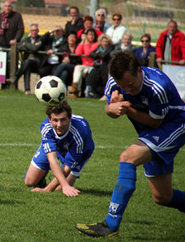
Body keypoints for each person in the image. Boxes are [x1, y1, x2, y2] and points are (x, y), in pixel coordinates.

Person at [76, 51, 185, 238]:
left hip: (173, 125)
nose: (127, 89)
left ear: (139, 71)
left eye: (131, 85)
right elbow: (110, 110)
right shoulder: (114, 83)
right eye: (122, 86)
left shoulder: (158, 86)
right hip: (150, 131)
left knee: (128, 157)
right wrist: (111, 108)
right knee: (162, 197)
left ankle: (110, 225)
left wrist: (128, 110)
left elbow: (155, 121)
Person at [24, 101, 94, 197]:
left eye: (63, 120)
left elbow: (67, 166)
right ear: (49, 120)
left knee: (58, 189)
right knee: (29, 181)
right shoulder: (46, 127)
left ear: (70, 118)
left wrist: (51, 189)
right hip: (56, 145)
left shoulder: (80, 134)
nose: (59, 125)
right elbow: (52, 158)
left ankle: (56, 183)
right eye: (55, 120)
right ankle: (43, 176)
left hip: (82, 151)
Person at [0, 0, 25, 89]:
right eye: (6, 6)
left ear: (12, 7)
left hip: (12, 47)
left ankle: (12, 85)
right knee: (2, 67)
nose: (7, 8)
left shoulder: (17, 16)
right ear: (3, 7)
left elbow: (21, 29)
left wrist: (16, 40)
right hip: (2, 46)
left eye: (9, 6)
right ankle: (3, 85)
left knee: (12, 66)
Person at [8, 24, 44, 95]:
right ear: (30, 31)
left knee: (27, 61)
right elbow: (19, 46)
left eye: (36, 30)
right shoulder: (26, 39)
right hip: (27, 64)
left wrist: (27, 45)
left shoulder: (40, 39)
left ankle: (16, 77)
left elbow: (35, 48)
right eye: (32, 30)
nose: (34, 32)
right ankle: (27, 90)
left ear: (38, 31)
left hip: (37, 63)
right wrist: (31, 47)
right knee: (27, 67)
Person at [69, 28, 98, 98]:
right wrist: (82, 42)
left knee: (84, 71)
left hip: (92, 65)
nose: (91, 36)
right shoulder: (84, 44)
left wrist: (86, 43)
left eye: (92, 35)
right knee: (77, 68)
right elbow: (77, 52)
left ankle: (78, 90)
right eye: (89, 35)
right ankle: (75, 88)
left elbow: (88, 53)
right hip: (84, 65)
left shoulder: (96, 44)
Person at [85, 34, 114, 99]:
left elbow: (104, 56)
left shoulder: (111, 48)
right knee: (92, 73)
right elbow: (91, 54)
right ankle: (89, 92)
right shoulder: (98, 48)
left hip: (106, 67)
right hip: (98, 67)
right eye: (103, 41)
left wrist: (98, 53)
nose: (104, 43)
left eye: (106, 42)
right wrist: (98, 54)